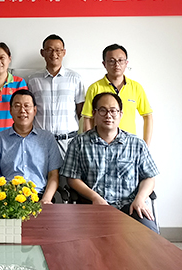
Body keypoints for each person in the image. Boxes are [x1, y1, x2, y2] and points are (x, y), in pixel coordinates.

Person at [62, 92, 159, 233]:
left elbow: (149, 177)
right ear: (94, 113)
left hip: (130, 206)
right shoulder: (79, 143)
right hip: (93, 206)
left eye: (113, 111)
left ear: (121, 114)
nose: (108, 115)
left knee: (150, 236)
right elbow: (72, 178)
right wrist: (95, 197)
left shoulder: (136, 144)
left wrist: (140, 199)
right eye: (103, 110)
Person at [0, 90, 62, 204]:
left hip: (39, 197)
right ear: (10, 110)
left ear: (34, 110)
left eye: (27, 106)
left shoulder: (47, 139)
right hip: (8, 199)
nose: (22, 110)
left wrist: (46, 199)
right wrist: (1, 198)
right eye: (17, 106)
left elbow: (53, 174)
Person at [82, 44, 153, 146]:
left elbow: (147, 116)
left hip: (129, 145)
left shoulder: (136, 87)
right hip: (101, 145)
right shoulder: (95, 88)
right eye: (111, 61)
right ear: (104, 64)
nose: (117, 64)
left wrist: (145, 145)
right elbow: (88, 118)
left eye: (120, 60)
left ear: (126, 63)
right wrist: (89, 144)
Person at [28, 34, 86, 158]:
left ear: (64, 52)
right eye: (49, 50)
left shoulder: (75, 78)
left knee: (68, 171)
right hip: (40, 141)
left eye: (58, 50)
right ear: (42, 52)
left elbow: (80, 110)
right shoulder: (33, 80)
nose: (54, 54)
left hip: (68, 141)